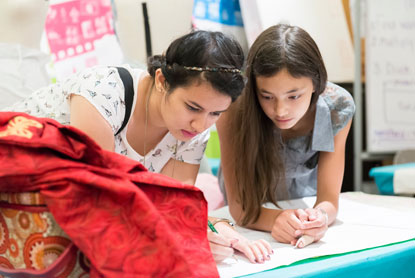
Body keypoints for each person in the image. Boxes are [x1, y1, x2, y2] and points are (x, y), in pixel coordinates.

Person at [3, 30, 272, 263]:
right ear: (161, 81)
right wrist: (190, 237)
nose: (202, 124)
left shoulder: (192, 130)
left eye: (216, 114)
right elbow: (106, 205)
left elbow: (171, 205)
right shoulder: (103, 94)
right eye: (193, 107)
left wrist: (213, 229)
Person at [217, 24, 355, 247]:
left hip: (302, 199)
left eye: (294, 96)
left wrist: (318, 218)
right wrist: (276, 220)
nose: (280, 111)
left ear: (316, 84)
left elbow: (328, 200)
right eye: (267, 96)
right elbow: (239, 207)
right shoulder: (234, 109)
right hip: (251, 207)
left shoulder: (337, 107)